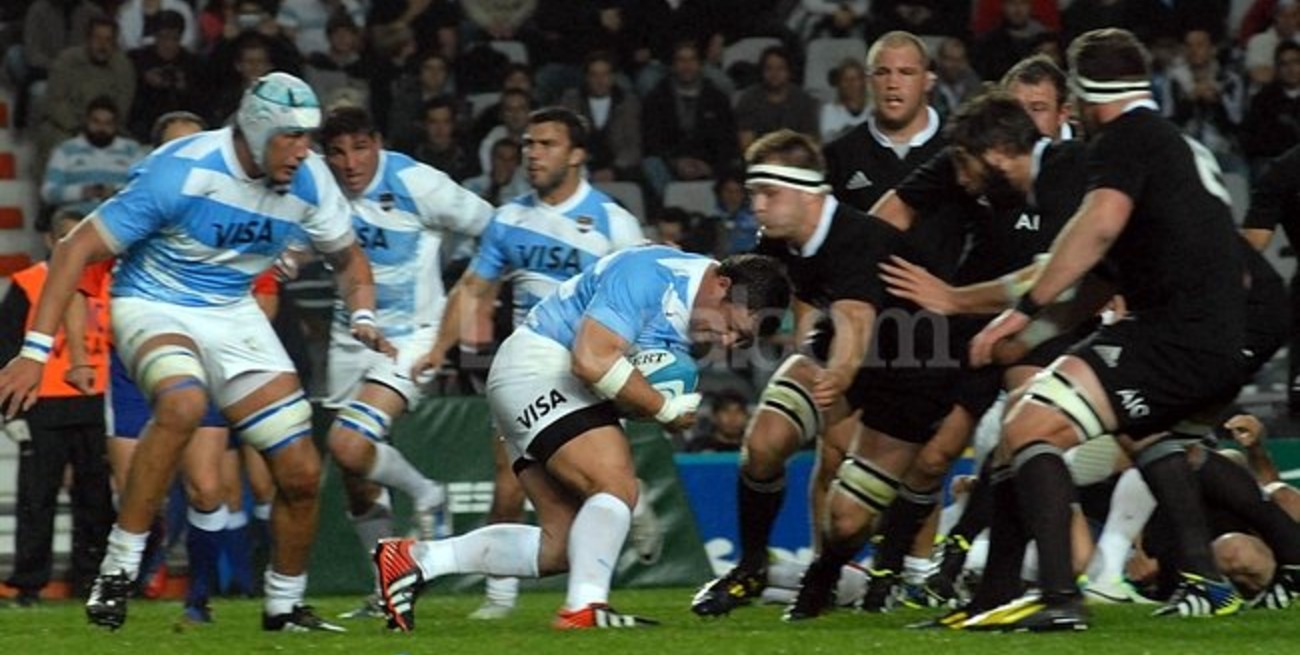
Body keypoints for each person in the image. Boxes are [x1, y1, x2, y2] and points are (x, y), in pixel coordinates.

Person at [0, 72, 387, 633]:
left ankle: (283, 606)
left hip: (233, 311)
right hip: (152, 301)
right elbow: (75, 247)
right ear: (256, 130)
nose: (304, 150)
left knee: (302, 471)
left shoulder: (311, 181)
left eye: (308, 137)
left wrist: (365, 315)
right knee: (182, 403)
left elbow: (348, 258)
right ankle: (119, 566)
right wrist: (35, 352)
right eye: (291, 136)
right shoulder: (181, 169)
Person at [962, 28, 1252, 630]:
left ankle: (1061, 600)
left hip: (1175, 332)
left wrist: (1021, 310)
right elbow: (1100, 281)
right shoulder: (1167, 141)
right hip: (1215, 333)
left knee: (1028, 425)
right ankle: (1203, 583)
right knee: (1121, 436)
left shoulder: (1124, 138)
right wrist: (1031, 337)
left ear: (1087, 94)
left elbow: (1096, 228)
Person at [374, 246, 791, 631]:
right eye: (732, 327)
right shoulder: (651, 273)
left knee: (564, 545)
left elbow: (621, 387)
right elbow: (590, 359)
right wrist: (664, 409)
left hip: (544, 383)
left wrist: (657, 406)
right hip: (539, 366)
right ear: (721, 284)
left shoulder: (697, 323)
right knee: (615, 485)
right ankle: (585, 608)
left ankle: (416, 560)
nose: (727, 342)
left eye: (741, 341)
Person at [690, 128, 955, 618]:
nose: (757, 205)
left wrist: (839, 373)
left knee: (848, 521)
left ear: (809, 193)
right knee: (763, 443)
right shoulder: (777, 240)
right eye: (754, 193)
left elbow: (856, 318)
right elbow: (761, 294)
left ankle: (825, 576)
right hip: (841, 349)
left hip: (915, 374)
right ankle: (750, 567)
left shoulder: (858, 238)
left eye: (769, 193)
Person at [411, 106, 646, 620]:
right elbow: (474, 288)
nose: (532, 154)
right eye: (528, 144)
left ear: (577, 154)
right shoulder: (510, 220)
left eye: (546, 144)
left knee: (588, 508)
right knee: (510, 485)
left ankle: (587, 597)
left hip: (590, 377)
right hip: (530, 374)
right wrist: (437, 348)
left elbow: (643, 302)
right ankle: (506, 600)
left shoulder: (614, 225)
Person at [315, 105, 494, 619]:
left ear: (378, 143)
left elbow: (492, 227)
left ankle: (427, 494)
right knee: (355, 475)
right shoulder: (318, 187)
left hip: (413, 338)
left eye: (360, 148)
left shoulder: (418, 182)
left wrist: (470, 295)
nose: (350, 163)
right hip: (348, 336)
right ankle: (388, 589)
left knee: (348, 444)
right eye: (338, 152)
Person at [0, 208, 114, 606]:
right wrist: (11, 412)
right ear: (50, 241)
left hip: (96, 400)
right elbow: (6, 347)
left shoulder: (107, 282)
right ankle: (29, 585)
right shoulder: (28, 282)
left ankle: (92, 581)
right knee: (37, 498)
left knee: (96, 499)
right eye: (66, 236)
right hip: (42, 404)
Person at [41, 95, 146, 217]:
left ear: (116, 125)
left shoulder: (132, 150)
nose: (101, 128)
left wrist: (115, 192)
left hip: (119, 218)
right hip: (75, 219)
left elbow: (144, 188)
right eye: (96, 122)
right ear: (86, 121)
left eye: (108, 123)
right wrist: (83, 192)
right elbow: (48, 192)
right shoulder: (65, 150)